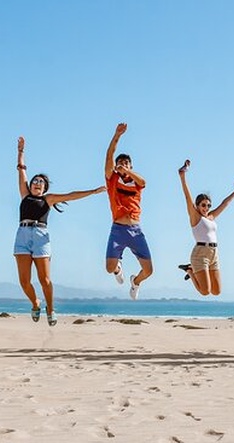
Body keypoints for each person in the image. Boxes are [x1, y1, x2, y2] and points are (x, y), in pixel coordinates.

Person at [14, 136, 106, 326]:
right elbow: (22, 171)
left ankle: (51, 309)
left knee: (45, 279)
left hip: (40, 237)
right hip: (22, 235)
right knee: (24, 281)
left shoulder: (48, 199)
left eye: (41, 182)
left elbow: (71, 196)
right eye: (35, 181)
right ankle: (35, 303)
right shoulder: (24, 194)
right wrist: (21, 152)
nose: (37, 183)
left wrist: (93, 191)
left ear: (45, 187)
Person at [175, 159, 234, 295]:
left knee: (217, 291)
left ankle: (190, 268)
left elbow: (225, 203)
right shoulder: (195, 217)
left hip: (214, 254)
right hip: (200, 254)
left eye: (208, 205)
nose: (206, 208)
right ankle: (190, 270)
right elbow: (187, 197)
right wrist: (183, 176)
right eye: (203, 205)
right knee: (205, 291)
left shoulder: (210, 217)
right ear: (197, 205)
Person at [103, 123, 152, 300]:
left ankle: (136, 281)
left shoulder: (136, 182)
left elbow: (144, 181)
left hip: (135, 230)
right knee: (109, 268)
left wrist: (129, 172)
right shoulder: (112, 179)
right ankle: (118, 268)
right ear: (116, 167)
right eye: (120, 163)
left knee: (149, 270)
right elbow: (109, 156)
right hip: (117, 229)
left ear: (131, 166)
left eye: (126, 163)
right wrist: (116, 136)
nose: (123, 165)